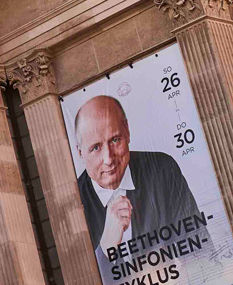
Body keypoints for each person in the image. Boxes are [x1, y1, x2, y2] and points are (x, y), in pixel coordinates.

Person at [74, 94, 200, 253]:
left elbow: (199, 246)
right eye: (96, 148)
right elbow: (79, 269)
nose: (108, 159)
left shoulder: (162, 169)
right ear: (80, 153)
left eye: (115, 140)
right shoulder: (74, 205)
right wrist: (106, 247)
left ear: (127, 131)